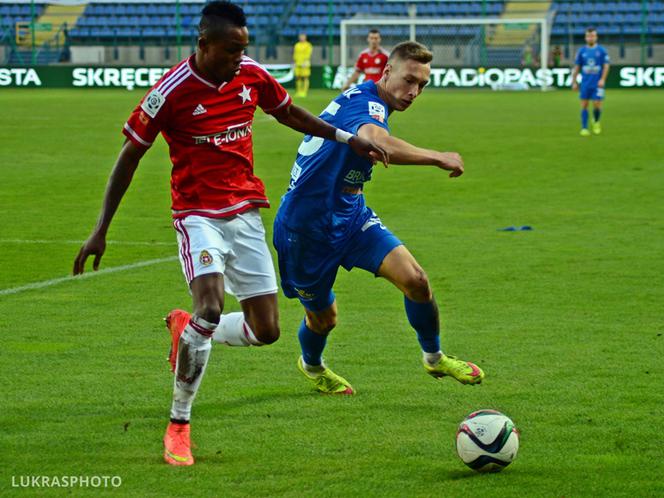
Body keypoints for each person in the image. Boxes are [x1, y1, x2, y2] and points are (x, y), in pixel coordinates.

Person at [72, 1, 386, 467]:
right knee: (211, 307)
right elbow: (128, 156)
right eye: (231, 50)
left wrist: (346, 138)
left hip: (245, 213)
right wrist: (100, 230)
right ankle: (179, 424)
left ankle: (187, 328)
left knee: (268, 331)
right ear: (203, 44)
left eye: (244, 49)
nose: (240, 57)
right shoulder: (170, 91)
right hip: (197, 213)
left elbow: (290, 113)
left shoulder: (251, 75)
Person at [272, 41, 485, 396]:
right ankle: (312, 365)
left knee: (416, 281)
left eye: (422, 85)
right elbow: (375, 141)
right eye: (409, 80)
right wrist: (437, 156)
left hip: (351, 215)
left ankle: (434, 358)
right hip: (305, 228)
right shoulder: (366, 102)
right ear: (386, 73)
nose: (414, 91)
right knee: (324, 319)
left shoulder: (374, 101)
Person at [571, 27, 610, 136]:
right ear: (585, 37)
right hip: (585, 83)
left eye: (592, 36)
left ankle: (596, 121)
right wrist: (574, 82)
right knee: (584, 104)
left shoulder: (601, 51)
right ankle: (584, 128)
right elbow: (577, 67)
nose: (590, 38)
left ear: (596, 37)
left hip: (597, 84)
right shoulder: (581, 51)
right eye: (588, 36)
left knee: (597, 104)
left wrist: (602, 79)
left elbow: (606, 66)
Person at [293, 32, 313, 97]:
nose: (301, 38)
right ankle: (299, 91)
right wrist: (295, 62)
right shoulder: (297, 45)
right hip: (297, 63)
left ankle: (304, 92)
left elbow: (308, 54)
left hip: (305, 63)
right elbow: (295, 54)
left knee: (305, 77)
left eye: (303, 36)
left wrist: (305, 61)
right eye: (300, 37)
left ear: (305, 37)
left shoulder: (308, 45)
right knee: (298, 77)